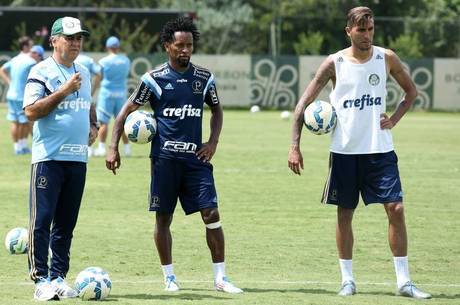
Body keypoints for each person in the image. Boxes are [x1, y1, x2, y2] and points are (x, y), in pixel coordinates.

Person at [288, 6, 431, 299]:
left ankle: (404, 282)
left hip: (380, 150)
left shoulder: (386, 58)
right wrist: (294, 145)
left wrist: (394, 119)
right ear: (348, 31)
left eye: (370, 29)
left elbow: (411, 92)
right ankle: (347, 280)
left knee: (397, 209)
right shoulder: (334, 63)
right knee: (345, 214)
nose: (367, 35)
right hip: (345, 152)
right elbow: (302, 106)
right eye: (361, 30)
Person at [106, 17, 243, 294]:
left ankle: (221, 278)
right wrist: (112, 147)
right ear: (167, 46)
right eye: (179, 45)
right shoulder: (153, 80)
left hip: (196, 161)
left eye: (189, 45)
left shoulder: (204, 78)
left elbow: (216, 111)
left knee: (212, 213)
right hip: (164, 161)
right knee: (163, 219)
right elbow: (125, 112)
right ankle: (169, 277)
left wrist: (212, 142)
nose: (185, 50)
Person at [23, 16, 98, 301]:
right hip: (48, 158)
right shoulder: (40, 70)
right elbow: (30, 111)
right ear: (54, 40)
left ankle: (58, 276)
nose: (76, 43)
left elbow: (89, 104)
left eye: (79, 38)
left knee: (66, 224)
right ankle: (40, 280)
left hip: (78, 159)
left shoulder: (84, 71)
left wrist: (94, 126)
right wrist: (63, 90)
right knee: (42, 221)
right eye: (70, 38)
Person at [92, 36, 131, 157]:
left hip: (107, 94)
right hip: (121, 94)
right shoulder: (126, 60)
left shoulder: (104, 61)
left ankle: (102, 148)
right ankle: (127, 149)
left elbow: (99, 77)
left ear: (107, 47)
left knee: (103, 122)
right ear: (118, 47)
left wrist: (93, 91)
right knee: (123, 122)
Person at [0, 36, 35, 154]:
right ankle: (21, 147)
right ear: (25, 47)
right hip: (22, 96)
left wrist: (9, 83)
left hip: (11, 95)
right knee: (24, 122)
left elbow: (2, 70)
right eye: (30, 46)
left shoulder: (14, 59)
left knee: (15, 122)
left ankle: (17, 147)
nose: (32, 49)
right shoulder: (30, 61)